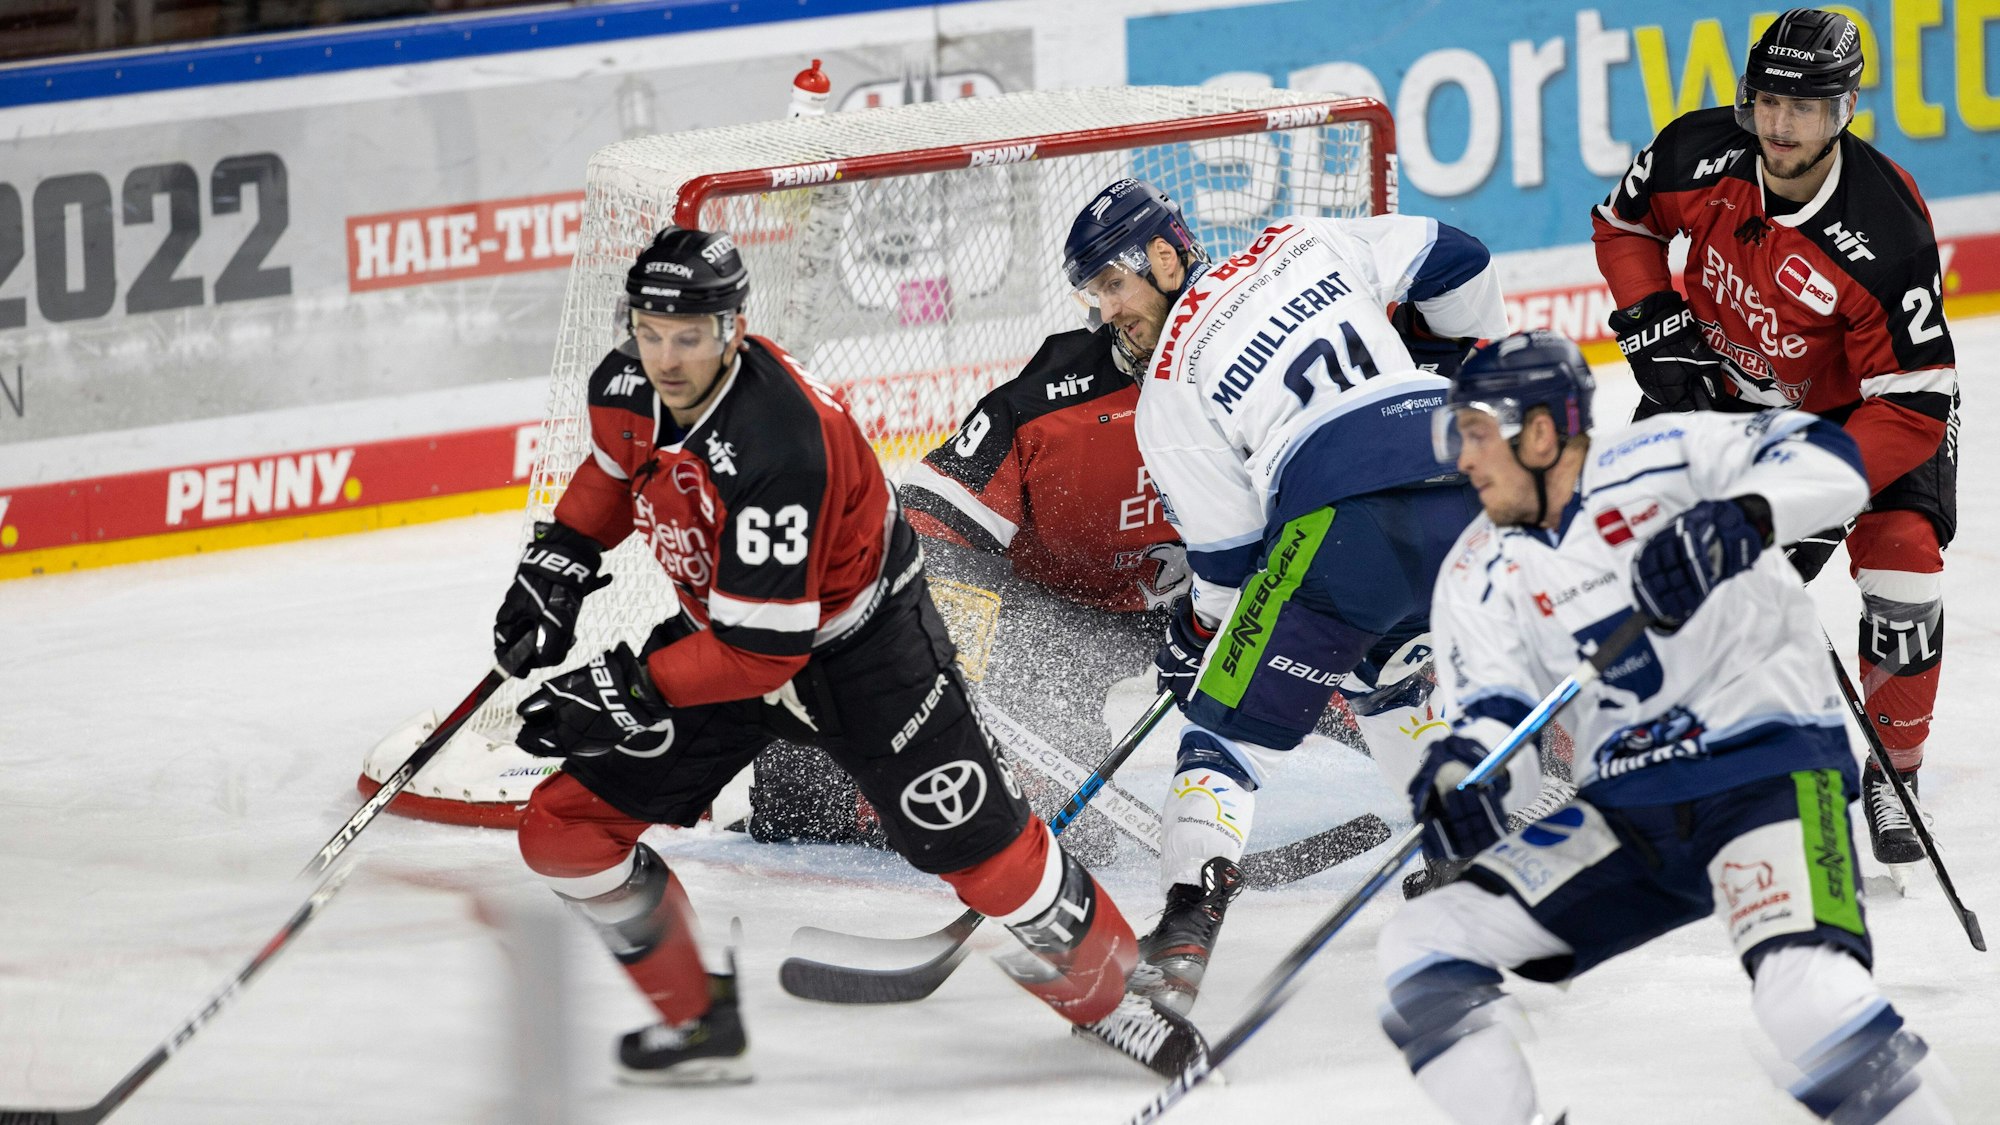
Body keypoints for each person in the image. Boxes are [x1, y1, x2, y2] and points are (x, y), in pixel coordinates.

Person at [485, 226, 1204, 1083]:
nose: (666, 358)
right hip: (733, 632)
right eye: (650, 332)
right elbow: (615, 468)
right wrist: (562, 553)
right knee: (565, 832)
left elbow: (763, 656)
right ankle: (700, 1022)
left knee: (988, 858)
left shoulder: (781, 441)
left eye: (688, 336)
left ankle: (1123, 1002)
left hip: (863, 651)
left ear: (734, 329)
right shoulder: (626, 382)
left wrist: (627, 686)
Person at [1378, 330, 1954, 1125]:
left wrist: (1744, 515)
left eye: (1475, 434)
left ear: (1539, 432)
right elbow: (1493, 711)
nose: (1461, 459)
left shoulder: (1672, 451)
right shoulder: (1475, 569)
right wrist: (1462, 773)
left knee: (1807, 992)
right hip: (1628, 809)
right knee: (1426, 947)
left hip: (1769, 771)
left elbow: (1828, 455)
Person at [1062, 177, 1510, 1012]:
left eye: (1112, 285)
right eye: (1093, 297)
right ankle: (1470, 863)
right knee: (1388, 677)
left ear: (1165, 255)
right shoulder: (1303, 241)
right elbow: (1462, 260)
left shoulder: (1168, 385)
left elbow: (1232, 575)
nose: (1105, 313)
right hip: (1465, 488)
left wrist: (1193, 648)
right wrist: (1452, 364)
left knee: (1220, 732)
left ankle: (1184, 934)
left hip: (1343, 529)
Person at [1593, 7, 1957, 872]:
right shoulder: (1696, 152)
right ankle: (1617, 744)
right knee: (1638, 567)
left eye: (1805, 106)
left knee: (1904, 566)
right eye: (1767, 101)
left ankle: (1894, 768)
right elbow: (1626, 225)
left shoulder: (1885, 232)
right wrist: (1651, 320)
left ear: (1845, 110)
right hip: (1724, 396)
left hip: (1865, 419)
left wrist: (1800, 491)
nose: (1780, 124)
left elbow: (1911, 408)